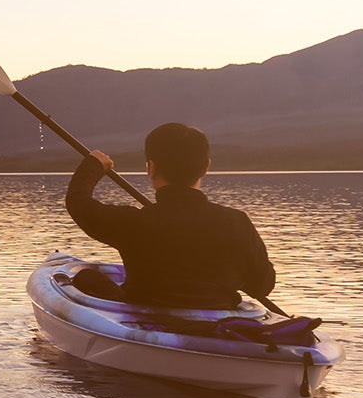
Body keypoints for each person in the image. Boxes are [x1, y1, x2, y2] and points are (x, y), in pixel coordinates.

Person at [65, 122, 274, 310]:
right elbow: (262, 286)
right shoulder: (237, 223)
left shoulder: (133, 223)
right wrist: (228, 271)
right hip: (217, 319)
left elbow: (79, 204)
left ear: (151, 167)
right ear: (205, 168)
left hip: (146, 316)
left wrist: (92, 166)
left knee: (86, 279)